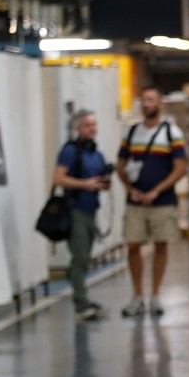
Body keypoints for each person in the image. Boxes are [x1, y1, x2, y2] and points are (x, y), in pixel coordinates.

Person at [116, 87, 187, 317]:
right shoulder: (132, 132)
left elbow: (180, 168)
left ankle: (155, 295)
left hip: (162, 201)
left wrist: (157, 190)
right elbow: (120, 164)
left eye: (151, 100)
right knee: (133, 244)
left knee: (160, 245)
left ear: (160, 103)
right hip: (135, 201)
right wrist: (130, 189)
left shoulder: (172, 133)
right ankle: (137, 295)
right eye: (144, 100)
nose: (147, 104)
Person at [53, 109, 112, 321]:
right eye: (87, 125)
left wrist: (102, 184)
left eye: (94, 125)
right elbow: (58, 178)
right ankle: (80, 301)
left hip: (90, 210)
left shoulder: (96, 154)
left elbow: (99, 180)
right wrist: (83, 184)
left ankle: (83, 296)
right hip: (75, 209)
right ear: (77, 129)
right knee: (79, 257)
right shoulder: (70, 151)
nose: (92, 129)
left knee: (86, 257)